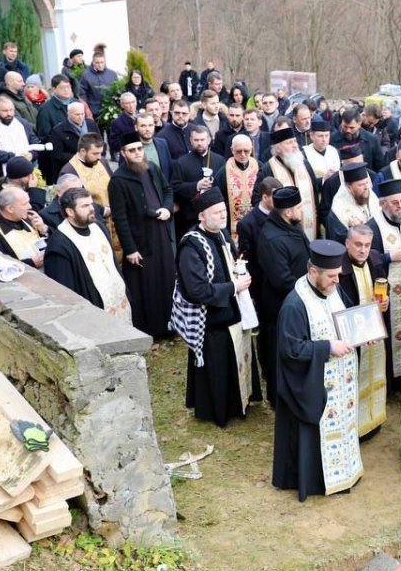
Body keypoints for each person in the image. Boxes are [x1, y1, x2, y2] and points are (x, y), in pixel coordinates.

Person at [272, 239, 363, 502]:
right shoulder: (294, 305)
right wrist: (327, 347)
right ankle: (315, 480)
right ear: (313, 272)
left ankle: (343, 472)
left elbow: (345, 318)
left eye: (339, 275)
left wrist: (361, 333)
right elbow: (291, 350)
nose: (337, 282)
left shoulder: (332, 290)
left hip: (340, 382)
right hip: (313, 384)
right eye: (332, 276)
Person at [174, 189, 253, 427]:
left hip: (232, 313)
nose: (222, 217)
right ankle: (219, 410)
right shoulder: (191, 246)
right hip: (211, 322)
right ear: (201, 216)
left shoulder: (222, 235)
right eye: (216, 213)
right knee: (218, 371)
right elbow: (197, 290)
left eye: (224, 212)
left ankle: (240, 402)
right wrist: (233, 287)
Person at [109, 133, 177, 340]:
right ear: (123, 153)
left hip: (161, 233)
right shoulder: (118, 181)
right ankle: (151, 332)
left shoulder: (152, 169)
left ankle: (171, 325)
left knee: (166, 280)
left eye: (139, 149)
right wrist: (130, 249)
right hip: (140, 241)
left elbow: (167, 190)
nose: (138, 153)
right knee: (146, 287)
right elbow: (119, 218)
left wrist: (167, 209)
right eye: (132, 150)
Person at [257, 187, 313, 403]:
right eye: (299, 207)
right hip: (282, 306)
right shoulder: (272, 238)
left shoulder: (292, 225)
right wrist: (308, 294)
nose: (302, 210)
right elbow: (282, 280)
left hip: (299, 298)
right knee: (279, 352)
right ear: (288, 212)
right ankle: (278, 397)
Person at [367, 179, 401, 388]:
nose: (400, 206)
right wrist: (388, 256)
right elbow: (366, 260)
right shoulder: (373, 226)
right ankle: (392, 382)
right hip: (388, 296)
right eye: (395, 203)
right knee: (391, 337)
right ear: (382, 204)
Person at [335, 225, 390, 439]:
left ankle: (373, 419)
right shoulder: (339, 268)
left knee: (375, 373)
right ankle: (354, 425)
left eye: (367, 245)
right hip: (353, 337)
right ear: (347, 243)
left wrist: (385, 304)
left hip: (374, 334)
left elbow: (383, 293)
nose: (363, 250)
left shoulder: (375, 260)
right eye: (358, 244)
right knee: (355, 378)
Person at [44, 187, 131, 320]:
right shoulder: (60, 244)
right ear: (70, 211)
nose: (91, 208)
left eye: (91, 204)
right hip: (93, 312)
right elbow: (65, 291)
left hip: (119, 300)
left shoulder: (99, 227)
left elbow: (113, 264)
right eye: (85, 206)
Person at [254, 126, 319, 241]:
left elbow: (315, 191)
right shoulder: (267, 170)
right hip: (282, 234)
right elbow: (257, 200)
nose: (295, 145)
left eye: (295, 141)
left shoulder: (305, 164)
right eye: (289, 143)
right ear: (278, 149)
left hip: (310, 229)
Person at [171, 125, 225, 238]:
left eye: (202, 140)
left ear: (209, 140)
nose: (199, 143)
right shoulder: (181, 162)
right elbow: (175, 188)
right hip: (190, 217)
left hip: (215, 215)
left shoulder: (220, 160)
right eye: (196, 140)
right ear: (190, 140)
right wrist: (196, 186)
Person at [0, 96, 42, 188]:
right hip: (1, 174)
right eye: (5, 111)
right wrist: (14, 157)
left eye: (11, 110)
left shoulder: (23, 123)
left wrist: (31, 154)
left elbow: (35, 143)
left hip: (27, 173)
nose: (9, 114)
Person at [213, 133, 259, 245]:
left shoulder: (260, 168)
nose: (243, 155)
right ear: (232, 150)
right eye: (238, 151)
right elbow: (218, 201)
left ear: (252, 149)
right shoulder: (222, 173)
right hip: (231, 227)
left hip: (257, 225)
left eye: (246, 151)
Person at [0, 186, 48, 268]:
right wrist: (29, 263)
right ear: (10, 209)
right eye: (25, 204)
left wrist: (44, 230)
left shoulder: (29, 218)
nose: (30, 207)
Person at [326, 163, 379, 243]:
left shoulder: (372, 196)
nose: (366, 188)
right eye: (361, 185)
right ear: (348, 187)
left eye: (366, 183)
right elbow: (340, 239)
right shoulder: (338, 210)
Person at [78, 50, 118, 124]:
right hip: (93, 112)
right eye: (97, 63)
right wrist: (87, 110)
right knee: (96, 134)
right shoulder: (86, 76)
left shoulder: (112, 74)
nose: (100, 65)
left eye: (102, 62)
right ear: (93, 63)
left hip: (110, 111)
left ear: (105, 62)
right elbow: (82, 95)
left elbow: (117, 91)